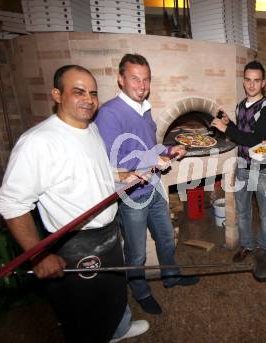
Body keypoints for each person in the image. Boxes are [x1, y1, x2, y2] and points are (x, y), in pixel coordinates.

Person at [0, 65, 149, 342]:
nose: (88, 99)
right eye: (78, 91)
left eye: (92, 93)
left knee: (113, 294)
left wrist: (119, 176)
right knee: (85, 315)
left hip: (108, 233)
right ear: (57, 94)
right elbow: (11, 204)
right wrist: (38, 254)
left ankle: (117, 331)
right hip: (75, 243)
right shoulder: (37, 142)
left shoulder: (90, 130)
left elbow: (89, 172)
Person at [95, 53, 199, 316]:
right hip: (131, 196)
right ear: (121, 80)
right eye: (135, 79)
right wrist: (154, 158)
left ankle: (171, 276)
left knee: (166, 238)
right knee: (137, 252)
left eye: (146, 80)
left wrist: (169, 148)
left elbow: (149, 145)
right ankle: (141, 293)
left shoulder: (145, 107)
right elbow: (112, 162)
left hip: (153, 187)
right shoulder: (109, 113)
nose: (142, 86)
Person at [211, 60, 266, 264]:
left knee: (265, 213)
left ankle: (263, 248)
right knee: (243, 210)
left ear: (263, 82)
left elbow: (255, 138)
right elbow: (242, 133)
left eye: (256, 81)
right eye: (248, 80)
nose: (251, 85)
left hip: (262, 168)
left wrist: (226, 129)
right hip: (242, 166)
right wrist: (228, 122)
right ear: (243, 81)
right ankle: (248, 245)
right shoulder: (240, 106)